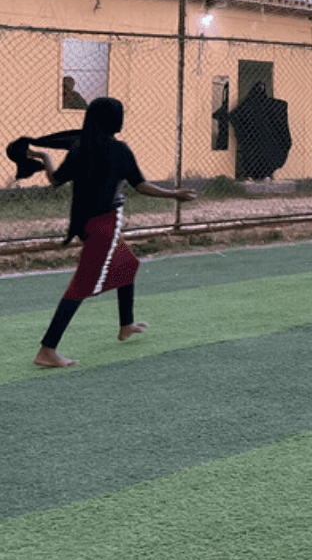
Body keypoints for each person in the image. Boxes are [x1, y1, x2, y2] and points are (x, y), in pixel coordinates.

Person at [24, 97, 198, 368]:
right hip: (104, 226)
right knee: (80, 287)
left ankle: (126, 324)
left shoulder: (81, 148)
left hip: (89, 224)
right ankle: (47, 350)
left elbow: (56, 180)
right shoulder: (119, 150)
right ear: (114, 120)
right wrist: (174, 194)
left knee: (127, 264)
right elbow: (140, 185)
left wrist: (44, 156)